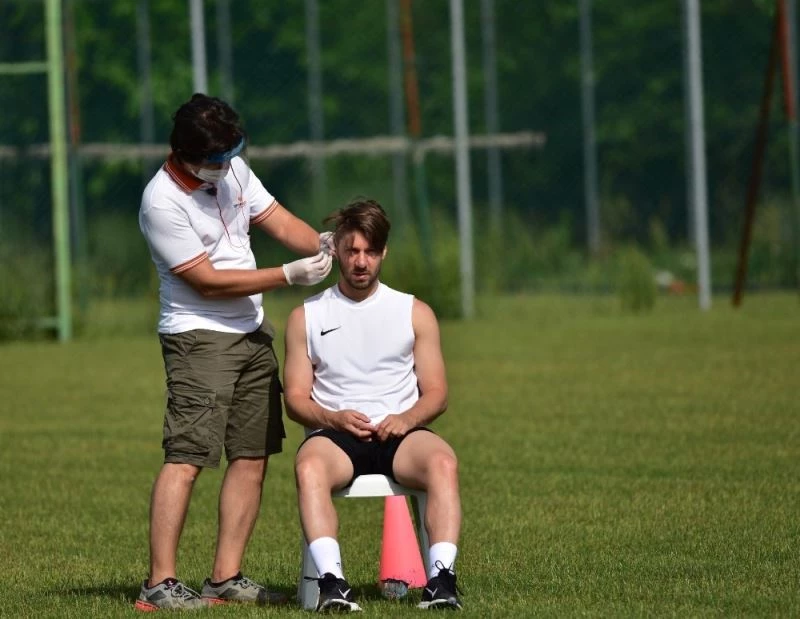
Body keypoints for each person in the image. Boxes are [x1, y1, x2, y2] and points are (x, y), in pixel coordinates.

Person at [136, 93, 335, 611]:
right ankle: (159, 583)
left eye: (231, 155)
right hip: (198, 337)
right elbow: (206, 282)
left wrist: (332, 246)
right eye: (216, 160)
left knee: (251, 455)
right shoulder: (162, 201)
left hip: (251, 333)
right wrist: (288, 275)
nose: (226, 168)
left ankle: (225, 577)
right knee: (187, 457)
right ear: (184, 154)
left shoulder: (233, 170)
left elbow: (279, 221)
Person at [283, 198, 463, 612]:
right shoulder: (305, 316)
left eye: (370, 251)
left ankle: (441, 582)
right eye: (351, 251)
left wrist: (405, 419)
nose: (360, 261)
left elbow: (437, 394)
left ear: (383, 253)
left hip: (400, 434)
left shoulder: (414, 312)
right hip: (335, 437)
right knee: (308, 466)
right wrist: (332, 417)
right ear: (336, 251)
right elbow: (294, 399)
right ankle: (333, 585)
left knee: (443, 462)